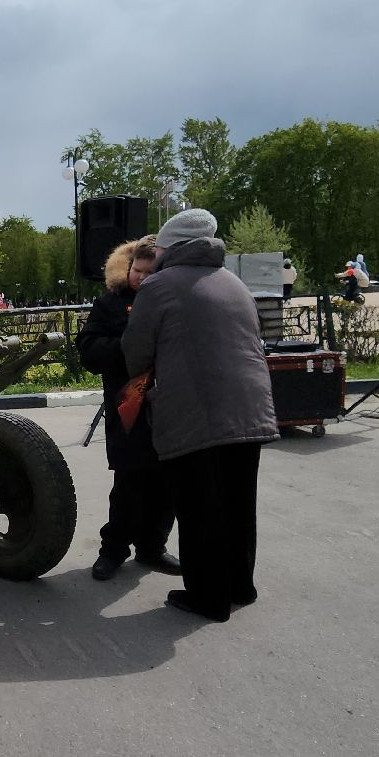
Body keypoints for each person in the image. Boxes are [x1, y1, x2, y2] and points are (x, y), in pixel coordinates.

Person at [122, 209, 277, 622]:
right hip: (249, 408)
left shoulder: (158, 286)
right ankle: (240, 586)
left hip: (197, 411)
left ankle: (208, 598)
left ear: (169, 249)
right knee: (239, 503)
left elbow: (136, 351)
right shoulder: (234, 283)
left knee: (199, 506)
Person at [76, 236, 184, 581]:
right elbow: (89, 350)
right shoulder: (110, 303)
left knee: (166, 484)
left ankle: (152, 549)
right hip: (128, 407)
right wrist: (131, 346)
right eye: (136, 270)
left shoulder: (176, 300)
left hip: (170, 406)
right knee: (129, 484)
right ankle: (113, 550)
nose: (141, 277)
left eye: (149, 272)